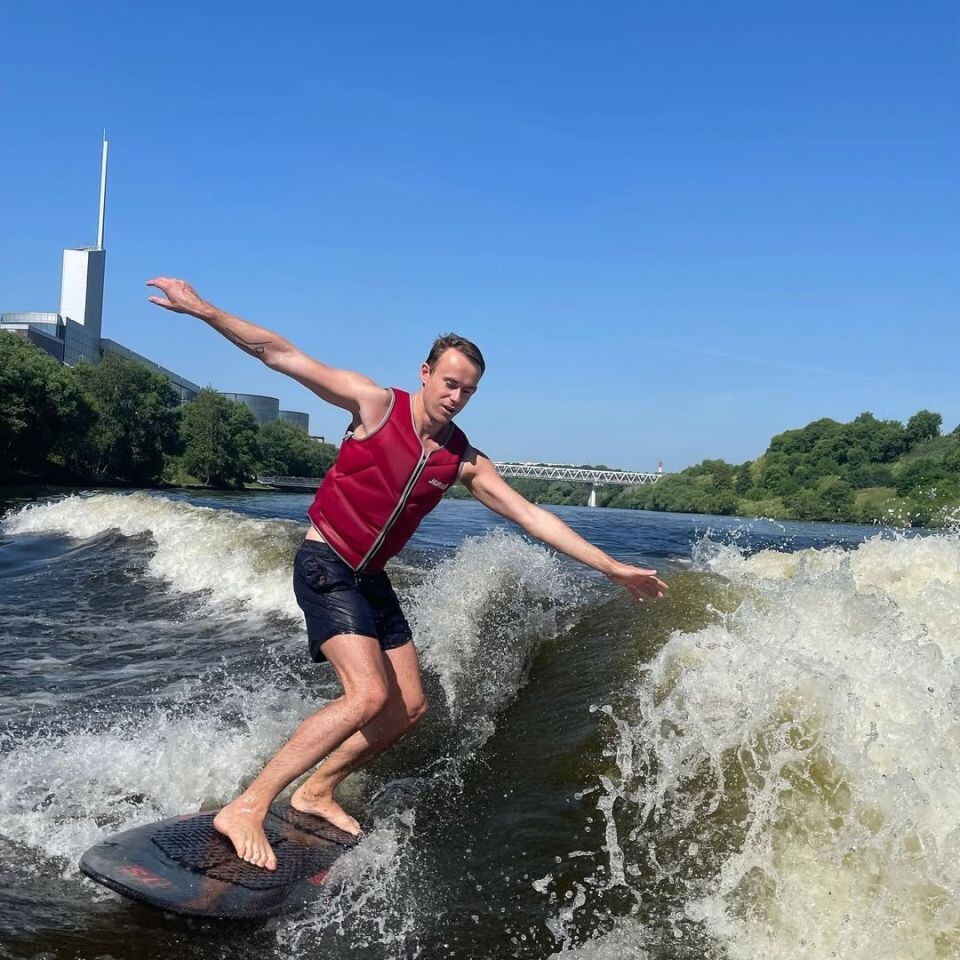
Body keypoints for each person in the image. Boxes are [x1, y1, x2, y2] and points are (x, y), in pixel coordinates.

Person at [146, 277, 668, 871]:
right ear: (425, 372)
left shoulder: (463, 458)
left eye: (467, 391)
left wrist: (612, 566)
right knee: (367, 695)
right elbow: (279, 353)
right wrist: (202, 310)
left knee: (409, 707)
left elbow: (530, 514)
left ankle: (316, 790)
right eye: (449, 383)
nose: (455, 398)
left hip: (370, 577)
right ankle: (247, 804)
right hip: (326, 561)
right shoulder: (373, 405)